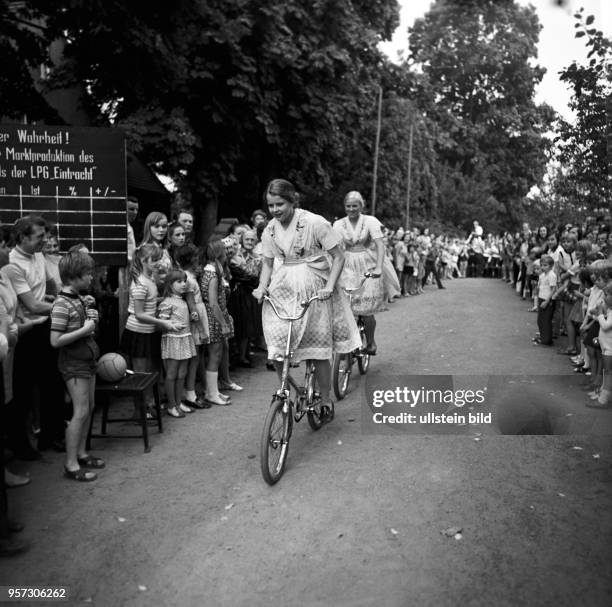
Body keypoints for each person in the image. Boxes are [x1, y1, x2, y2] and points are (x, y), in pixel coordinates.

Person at [252, 179, 360, 421]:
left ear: (292, 200)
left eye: (279, 204)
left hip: (315, 289)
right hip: (284, 289)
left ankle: (324, 397)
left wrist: (330, 286)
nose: (275, 210)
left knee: (317, 350)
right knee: (278, 348)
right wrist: (261, 286)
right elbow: (268, 263)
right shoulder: (270, 229)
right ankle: (287, 392)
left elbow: (338, 256)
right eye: (271, 205)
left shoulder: (315, 222)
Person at [4, 215, 63, 459]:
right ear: (22, 238)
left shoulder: (38, 255)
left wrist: (54, 298)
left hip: (45, 327)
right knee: (24, 392)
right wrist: (66, 304)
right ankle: (21, 446)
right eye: (39, 237)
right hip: (25, 333)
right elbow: (32, 305)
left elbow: (49, 288)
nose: (44, 241)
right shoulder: (12, 264)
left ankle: (52, 437)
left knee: (53, 384)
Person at [50, 251, 104, 481]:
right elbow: (55, 340)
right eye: (87, 274)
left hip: (87, 360)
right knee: (79, 411)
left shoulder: (78, 298)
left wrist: (89, 310)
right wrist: (85, 329)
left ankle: (81, 453)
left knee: (89, 407)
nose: (92, 278)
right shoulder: (61, 304)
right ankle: (71, 465)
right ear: (74, 277)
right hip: (73, 364)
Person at [121, 244, 179, 417]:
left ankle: (147, 405)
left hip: (148, 331)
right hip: (137, 332)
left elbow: (150, 303)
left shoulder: (150, 279)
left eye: (158, 259)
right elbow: (138, 314)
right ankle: (139, 411)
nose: (157, 263)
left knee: (149, 371)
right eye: (153, 260)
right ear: (143, 260)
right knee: (139, 374)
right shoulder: (139, 283)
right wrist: (163, 322)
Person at [332, 191, 384, 355]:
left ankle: (371, 341)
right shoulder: (338, 224)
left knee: (366, 310)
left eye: (355, 206)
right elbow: (333, 247)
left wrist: (379, 267)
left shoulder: (370, 221)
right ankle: (348, 344)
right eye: (348, 206)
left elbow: (380, 245)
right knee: (346, 308)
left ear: (361, 206)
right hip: (346, 266)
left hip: (366, 265)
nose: (351, 209)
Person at [174, 244, 209, 409]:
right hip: (195, 320)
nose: (198, 259)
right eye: (195, 257)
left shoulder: (189, 275)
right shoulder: (186, 278)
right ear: (191, 259)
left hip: (199, 316)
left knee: (196, 357)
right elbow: (191, 305)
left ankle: (190, 391)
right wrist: (201, 329)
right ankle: (190, 392)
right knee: (194, 357)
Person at [158, 270, 197, 418]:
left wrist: (192, 315)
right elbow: (161, 323)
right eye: (179, 282)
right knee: (172, 373)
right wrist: (170, 324)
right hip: (173, 340)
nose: (183, 284)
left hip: (185, 339)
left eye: (184, 281)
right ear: (169, 284)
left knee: (182, 373)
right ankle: (171, 405)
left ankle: (179, 402)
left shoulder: (182, 300)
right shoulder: (166, 303)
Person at [200, 240, 233, 406]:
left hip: (213, 315)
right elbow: (213, 303)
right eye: (225, 253)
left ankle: (213, 391)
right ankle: (211, 393)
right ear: (219, 255)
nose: (227, 255)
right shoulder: (212, 276)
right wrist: (224, 324)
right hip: (213, 317)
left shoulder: (211, 272)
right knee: (215, 354)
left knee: (217, 353)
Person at [228, 230, 263, 367]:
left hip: (251, 293)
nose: (249, 242)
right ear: (242, 240)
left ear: (255, 241)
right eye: (247, 239)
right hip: (239, 294)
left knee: (250, 325)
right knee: (242, 325)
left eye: (252, 240)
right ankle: (239, 355)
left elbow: (258, 277)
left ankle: (245, 354)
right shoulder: (236, 256)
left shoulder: (258, 258)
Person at [140, 212, 172, 286]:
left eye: (164, 226)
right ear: (149, 227)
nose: (161, 230)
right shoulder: (144, 249)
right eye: (156, 226)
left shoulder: (164, 248)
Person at [534, 255, 556, 346]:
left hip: (547, 299)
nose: (543, 267)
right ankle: (543, 337)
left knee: (546, 320)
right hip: (541, 297)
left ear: (551, 266)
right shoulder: (542, 275)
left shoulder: (552, 275)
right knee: (541, 320)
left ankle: (547, 340)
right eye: (542, 265)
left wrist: (547, 301)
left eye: (545, 265)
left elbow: (553, 289)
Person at [126, 196, 139, 264]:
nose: (135, 212)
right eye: (131, 209)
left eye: (137, 209)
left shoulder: (130, 228)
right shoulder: (120, 227)